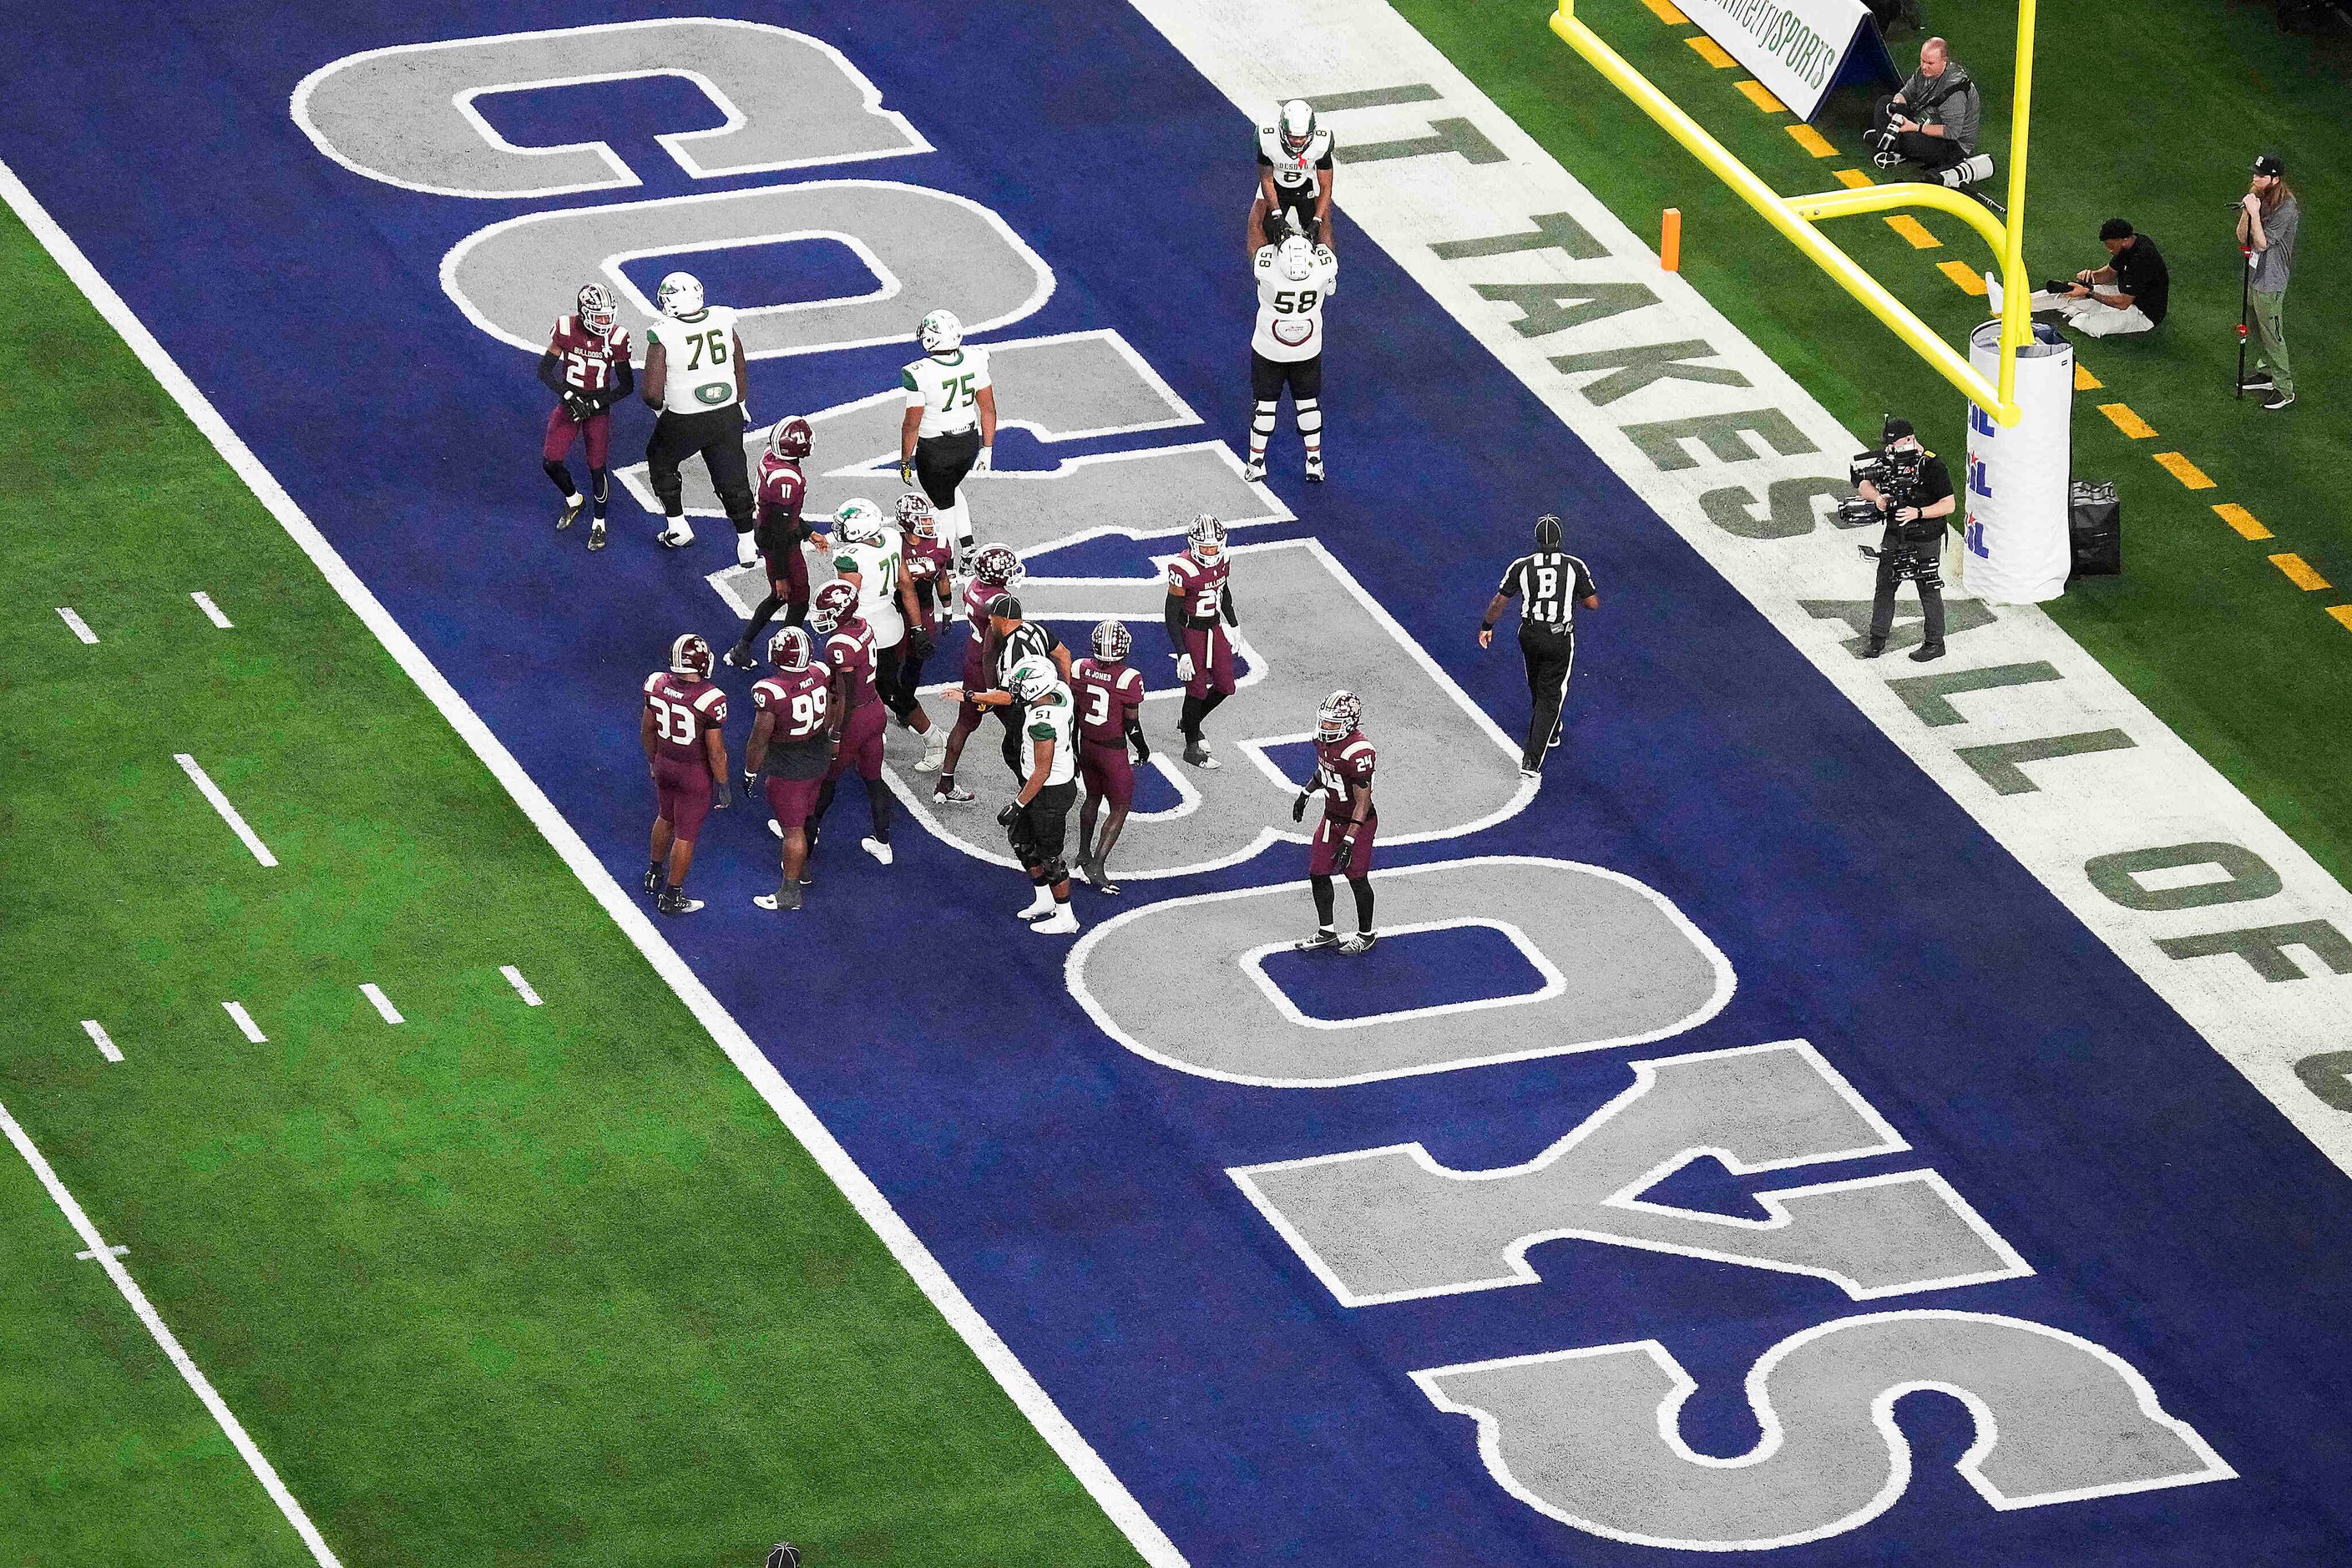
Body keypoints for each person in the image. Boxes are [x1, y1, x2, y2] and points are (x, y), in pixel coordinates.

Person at [640, 271, 757, 563]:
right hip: (727, 413)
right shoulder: (722, 320)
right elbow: (739, 365)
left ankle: (678, 527)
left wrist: (660, 409)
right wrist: (739, 401)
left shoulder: (663, 333)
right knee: (732, 476)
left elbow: (651, 393)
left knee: (660, 459)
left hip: (685, 417)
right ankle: (747, 544)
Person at [1479, 514, 1599, 780]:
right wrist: (1570, 595)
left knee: (1537, 682)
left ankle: (1551, 729)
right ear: (1559, 539)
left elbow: (1500, 599)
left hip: (1530, 634)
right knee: (1550, 696)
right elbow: (1592, 603)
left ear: (1537, 540)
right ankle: (1532, 759)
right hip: (1558, 636)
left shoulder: (1522, 566)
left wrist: (1487, 625)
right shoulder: (1574, 566)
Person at [827, 498, 943, 771]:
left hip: (864, 633)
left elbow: (847, 602)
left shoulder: (849, 559)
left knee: (868, 691)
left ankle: (933, 738)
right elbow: (906, 586)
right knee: (879, 690)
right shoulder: (891, 538)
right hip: (892, 625)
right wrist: (917, 628)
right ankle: (870, 736)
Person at [804, 579, 895, 873]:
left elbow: (845, 695)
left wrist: (836, 734)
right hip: (874, 708)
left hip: (853, 717)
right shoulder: (862, 625)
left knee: (825, 779)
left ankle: (805, 841)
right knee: (873, 780)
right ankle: (883, 843)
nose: (821, 617)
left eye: (826, 611)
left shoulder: (839, 644)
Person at [537, 282, 633, 552]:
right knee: (551, 462)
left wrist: (593, 404)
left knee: (596, 467)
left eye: (608, 316)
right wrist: (570, 397)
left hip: (597, 406)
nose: (605, 322)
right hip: (570, 402)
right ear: (583, 312)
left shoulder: (616, 338)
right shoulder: (566, 328)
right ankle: (574, 499)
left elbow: (627, 386)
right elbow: (545, 371)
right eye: (599, 316)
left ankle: (599, 523)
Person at [640, 633, 729, 917]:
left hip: (665, 763)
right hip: (693, 772)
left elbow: (647, 730)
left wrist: (654, 760)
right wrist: (724, 784)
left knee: (665, 817)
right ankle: (672, 896)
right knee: (686, 835)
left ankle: (654, 873)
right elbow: (716, 752)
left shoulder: (657, 685)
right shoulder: (709, 699)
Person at [898, 309, 995, 567]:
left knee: (943, 509)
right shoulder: (975, 359)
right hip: (968, 443)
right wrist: (987, 449)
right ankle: (969, 547)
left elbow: (911, 425)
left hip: (936, 448)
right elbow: (988, 409)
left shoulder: (919, 373)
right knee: (950, 489)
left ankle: (948, 567)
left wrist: (905, 461)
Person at [1856, 417, 1958, 662]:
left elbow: (1949, 505)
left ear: (1910, 440)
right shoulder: (1891, 459)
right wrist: (1878, 498)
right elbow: (1863, 483)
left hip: (1925, 536)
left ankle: (1935, 642)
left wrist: (1918, 512)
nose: (1890, 449)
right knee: (1885, 584)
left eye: (1896, 444)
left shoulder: (1932, 466)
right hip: (1896, 532)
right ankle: (1877, 637)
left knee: (1928, 588)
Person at [931, 542, 1024, 806]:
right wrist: (994, 687)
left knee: (965, 723)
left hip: (973, 657)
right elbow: (992, 650)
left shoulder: (973, 586)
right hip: (991, 665)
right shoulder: (1001, 603)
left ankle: (945, 782)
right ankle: (1030, 785)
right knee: (1019, 723)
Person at [745, 626, 831, 912]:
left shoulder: (771, 691)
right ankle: (802, 868)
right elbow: (831, 707)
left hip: (789, 768)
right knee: (806, 814)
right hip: (818, 756)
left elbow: (759, 740)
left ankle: (790, 893)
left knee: (792, 831)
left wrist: (750, 771)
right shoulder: (820, 673)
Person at [1245, 233, 1338, 484]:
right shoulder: (1324, 266)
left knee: (1264, 406)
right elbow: (1327, 251)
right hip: (1307, 346)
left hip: (1270, 345)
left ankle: (1256, 463)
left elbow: (1255, 235)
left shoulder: (1266, 266)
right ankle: (1315, 462)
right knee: (1308, 404)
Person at [1290, 690, 1378, 955]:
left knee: (1356, 878)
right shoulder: (1322, 741)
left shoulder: (1358, 752)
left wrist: (1351, 839)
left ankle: (1366, 934)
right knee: (1317, 872)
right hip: (1331, 817)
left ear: (1350, 723)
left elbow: (1362, 802)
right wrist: (1306, 792)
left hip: (1358, 823)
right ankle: (1327, 931)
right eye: (1325, 721)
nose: (1326, 727)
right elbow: (1326, 770)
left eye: (1332, 723)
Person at [726, 417, 816, 669]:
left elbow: (780, 514)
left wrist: (807, 531)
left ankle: (742, 647)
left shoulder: (771, 456)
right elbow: (780, 527)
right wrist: (780, 575)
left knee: (780, 598)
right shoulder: (787, 479)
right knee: (797, 600)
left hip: (773, 532)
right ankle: (788, 658)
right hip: (780, 543)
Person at [1072, 620, 1151, 896]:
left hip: (1086, 744)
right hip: (1113, 751)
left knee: (1092, 798)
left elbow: (1075, 710)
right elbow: (1131, 724)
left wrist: (1074, 744)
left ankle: (1083, 853)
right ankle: (1097, 865)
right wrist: (1142, 748)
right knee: (1119, 807)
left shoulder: (1079, 668)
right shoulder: (1129, 678)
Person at [1987, 220, 2167, 338]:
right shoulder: (2130, 245)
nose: (2108, 250)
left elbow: (2123, 303)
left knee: (2088, 325)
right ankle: (2008, 303)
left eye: (2109, 245)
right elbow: (2109, 274)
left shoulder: (2143, 259)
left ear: (2121, 240)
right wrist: (2091, 277)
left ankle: (2080, 310)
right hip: (2123, 293)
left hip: (2142, 314)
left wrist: (2088, 293)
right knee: (2069, 293)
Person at [1166, 513, 1239, 771]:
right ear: (1193, 544)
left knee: (1226, 685)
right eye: (1205, 547)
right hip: (1191, 631)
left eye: (1214, 546)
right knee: (1195, 690)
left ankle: (1190, 723)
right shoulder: (1182, 568)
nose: (1210, 551)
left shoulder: (1223, 560)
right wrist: (1182, 652)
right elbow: (1171, 614)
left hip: (1214, 627)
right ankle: (1191, 746)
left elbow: (1224, 591)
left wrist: (1234, 623)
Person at [898, 494, 959, 770]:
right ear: (907, 523)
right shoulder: (892, 544)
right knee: (889, 658)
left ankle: (904, 707)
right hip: (894, 609)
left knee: (915, 660)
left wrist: (947, 607)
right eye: (921, 519)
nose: (928, 524)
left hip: (923, 607)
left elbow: (942, 576)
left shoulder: (940, 544)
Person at [2237, 154, 2300, 412]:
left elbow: (2262, 243)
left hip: (2271, 280)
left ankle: (2284, 388)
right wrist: (2246, 212)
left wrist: (2254, 212)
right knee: (2256, 326)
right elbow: (2243, 238)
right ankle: (2266, 373)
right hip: (2254, 275)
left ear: (2274, 179)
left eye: (2260, 175)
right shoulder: (2258, 196)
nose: (2254, 177)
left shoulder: (2287, 207)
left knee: (2272, 333)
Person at [1867, 38, 1979, 175]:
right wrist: (1896, 104)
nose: (1924, 66)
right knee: (1884, 102)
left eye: (1930, 63)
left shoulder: (1955, 91)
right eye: (1923, 61)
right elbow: (1906, 93)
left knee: (1911, 140)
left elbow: (1952, 132)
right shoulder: (1924, 72)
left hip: (1953, 145)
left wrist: (1915, 128)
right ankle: (1893, 143)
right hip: (1924, 118)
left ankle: (1892, 142)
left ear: (1944, 61)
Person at [1248, 99, 1336, 254]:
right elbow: (1266, 179)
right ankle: (1259, 275)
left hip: (1307, 182)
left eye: (1302, 137)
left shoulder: (1322, 143)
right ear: (1282, 130)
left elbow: (1326, 186)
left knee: (1324, 227)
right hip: (1275, 182)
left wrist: (1317, 220)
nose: (1297, 142)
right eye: (1293, 137)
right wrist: (1277, 216)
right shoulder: (1267, 140)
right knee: (1255, 225)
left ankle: (1329, 275)